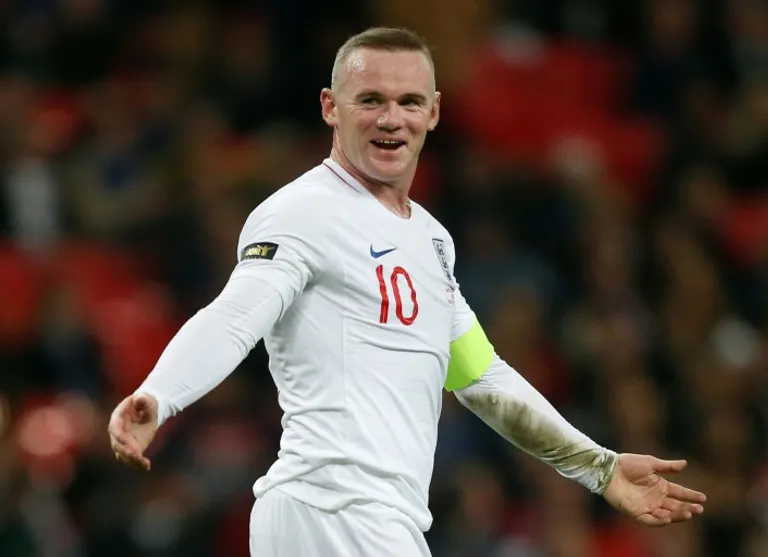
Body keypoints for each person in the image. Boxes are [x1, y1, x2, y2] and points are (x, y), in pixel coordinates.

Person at [108, 27, 706, 556]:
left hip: (372, 520)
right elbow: (236, 314)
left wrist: (599, 468)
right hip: (333, 508)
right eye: (370, 100)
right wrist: (161, 394)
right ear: (330, 107)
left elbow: (480, 377)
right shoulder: (303, 212)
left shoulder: (430, 239)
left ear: (434, 112)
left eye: (409, 101)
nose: (391, 118)